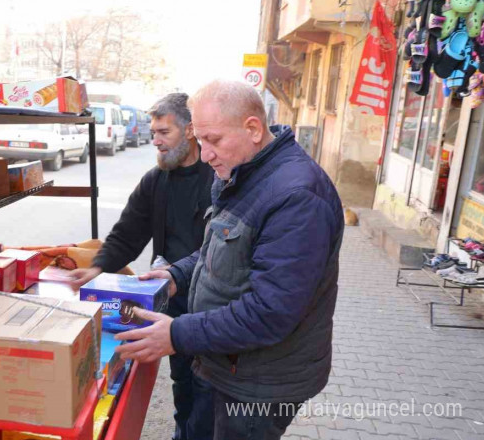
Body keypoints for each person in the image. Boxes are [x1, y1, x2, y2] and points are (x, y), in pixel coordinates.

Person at [114, 80, 344, 440]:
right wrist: (177, 274)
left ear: (252, 129)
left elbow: (270, 313)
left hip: (260, 384)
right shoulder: (247, 172)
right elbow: (217, 247)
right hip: (233, 365)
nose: (205, 154)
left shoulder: (296, 197)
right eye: (201, 140)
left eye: (214, 140)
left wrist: (176, 334)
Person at [69, 93, 216, 440]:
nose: (156, 141)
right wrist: (97, 268)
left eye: (164, 132)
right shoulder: (156, 181)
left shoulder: (217, 179)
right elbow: (126, 235)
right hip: (171, 310)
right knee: (185, 394)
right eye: (153, 132)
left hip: (212, 310)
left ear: (190, 130)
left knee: (209, 401)